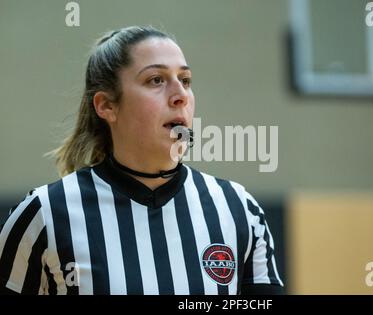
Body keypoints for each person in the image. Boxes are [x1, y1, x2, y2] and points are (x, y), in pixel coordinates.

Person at [0, 26, 284, 295]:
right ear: (107, 105)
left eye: (185, 80)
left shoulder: (238, 209)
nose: (180, 96)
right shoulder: (44, 214)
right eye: (156, 80)